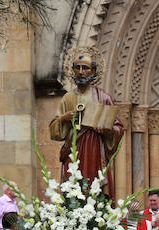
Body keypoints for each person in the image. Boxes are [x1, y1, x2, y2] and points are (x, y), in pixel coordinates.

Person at [49, 48, 125, 196]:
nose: (81, 71)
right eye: (77, 68)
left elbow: (118, 128)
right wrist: (64, 119)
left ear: (94, 72)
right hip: (74, 149)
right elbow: (54, 131)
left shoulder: (103, 98)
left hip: (96, 150)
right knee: (73, 190)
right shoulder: (68, 98)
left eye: (85, 68)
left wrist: (107, 130)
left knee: (95, 188)